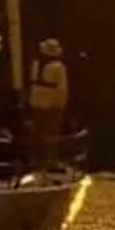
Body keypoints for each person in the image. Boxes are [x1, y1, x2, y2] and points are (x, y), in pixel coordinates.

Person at [28, 38, 70, 169]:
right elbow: (62, 88)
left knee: (38, 134)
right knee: (51, 133)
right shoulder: (59, 67)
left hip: (36, 102)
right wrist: (62, 104)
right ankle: (51, 160)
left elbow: (32, 82)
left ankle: (36, 160)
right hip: (52, 103)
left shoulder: (36, 64)